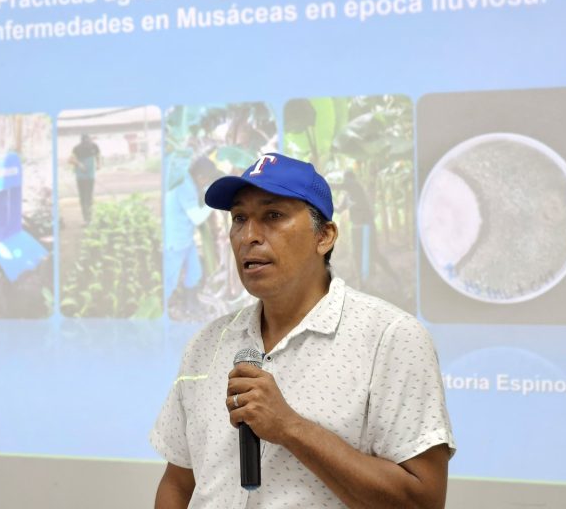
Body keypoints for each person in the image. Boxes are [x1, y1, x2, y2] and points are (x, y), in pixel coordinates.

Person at [150, 152, 455, 508]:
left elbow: (423, 501)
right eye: (239, 218)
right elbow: (177, 483)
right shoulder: (208, 343)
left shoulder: (391, 338)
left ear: (324, 236)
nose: (249, 236)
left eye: (273, 216)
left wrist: (290, 428)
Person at [163, 155, 220, 317]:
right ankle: (165, 315)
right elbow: (197, 218)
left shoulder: (186, 179)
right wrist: (213, 200)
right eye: (206, 180)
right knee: (170, 279)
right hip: (176, 239)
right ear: (200, 176)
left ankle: (191, 305)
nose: (204, 184)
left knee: (194, 272)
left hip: (185, 238)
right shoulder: (184, 186)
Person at [68, 134, 101, 224]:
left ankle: (89, 218)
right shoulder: (77, 148)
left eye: (89, 141)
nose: (88, 144)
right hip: (80, 177)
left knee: (89, 196)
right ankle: (86, 219)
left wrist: (98, 164)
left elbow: (97, 155)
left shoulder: (94, 146)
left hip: (90, 176)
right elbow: (70, 160)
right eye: (86, 142)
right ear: (82, 142)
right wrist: (79, 164)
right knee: (83, 197)